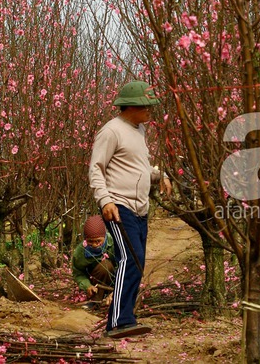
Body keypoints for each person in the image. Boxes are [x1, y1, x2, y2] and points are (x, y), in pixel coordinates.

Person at [88, 80, 172, 338]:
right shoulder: (111, 131)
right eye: (146, 106)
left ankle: (126, 318)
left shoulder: (139, 130)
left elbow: (138, 167)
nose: (150, 111)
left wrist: (160, 176)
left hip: (139, 208)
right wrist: (105, 200)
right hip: (118, 205)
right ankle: (117, 323)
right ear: (131, 106)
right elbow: (96, 168)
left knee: (138, 261)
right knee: (129, 259)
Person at [71, 215, 117, 309]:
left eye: (98, 241)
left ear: (104, 236)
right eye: (90, 241)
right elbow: (78, 273)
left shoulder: (114, 243)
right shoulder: (80, 252)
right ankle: (95, 301)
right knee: (104, 267)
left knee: (106, 266)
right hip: (95, 283)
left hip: (114, 279)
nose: (95, 245)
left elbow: (125, 265)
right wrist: (87, 286)